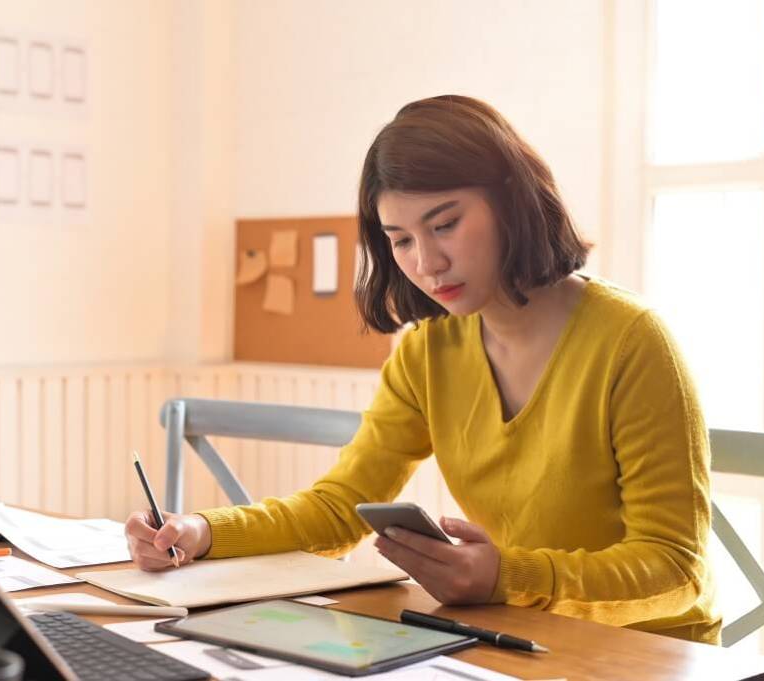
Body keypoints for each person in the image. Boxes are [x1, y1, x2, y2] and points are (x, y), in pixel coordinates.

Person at [124, 95, 720, 644]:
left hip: (653, 655)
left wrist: (504, 576)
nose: (428, 263)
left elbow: (675, 570)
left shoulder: (632, 342)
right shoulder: (427, 349)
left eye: (445, 224)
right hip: (519, 640)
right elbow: (342, 507)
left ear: (512, 200)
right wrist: (203, 533)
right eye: (400, 240)